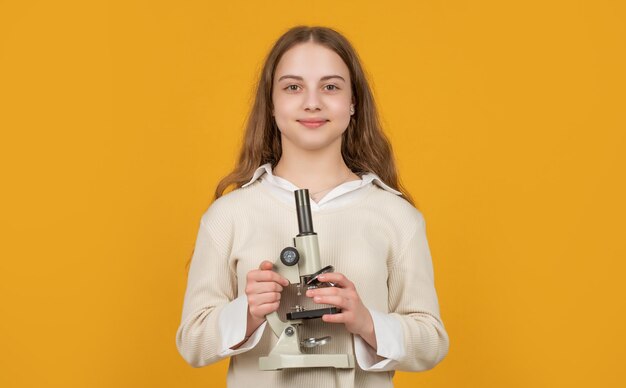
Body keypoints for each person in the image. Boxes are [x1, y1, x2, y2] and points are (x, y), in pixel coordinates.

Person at [175, 25, 449, 387]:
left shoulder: (396, 216)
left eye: (331, 86)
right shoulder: (228, 216)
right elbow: (192, 342)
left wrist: (366, 321)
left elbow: (431, 341)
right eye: (293, 87)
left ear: (353, 103)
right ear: (271, 105)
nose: (312, 102)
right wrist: (249, 311)